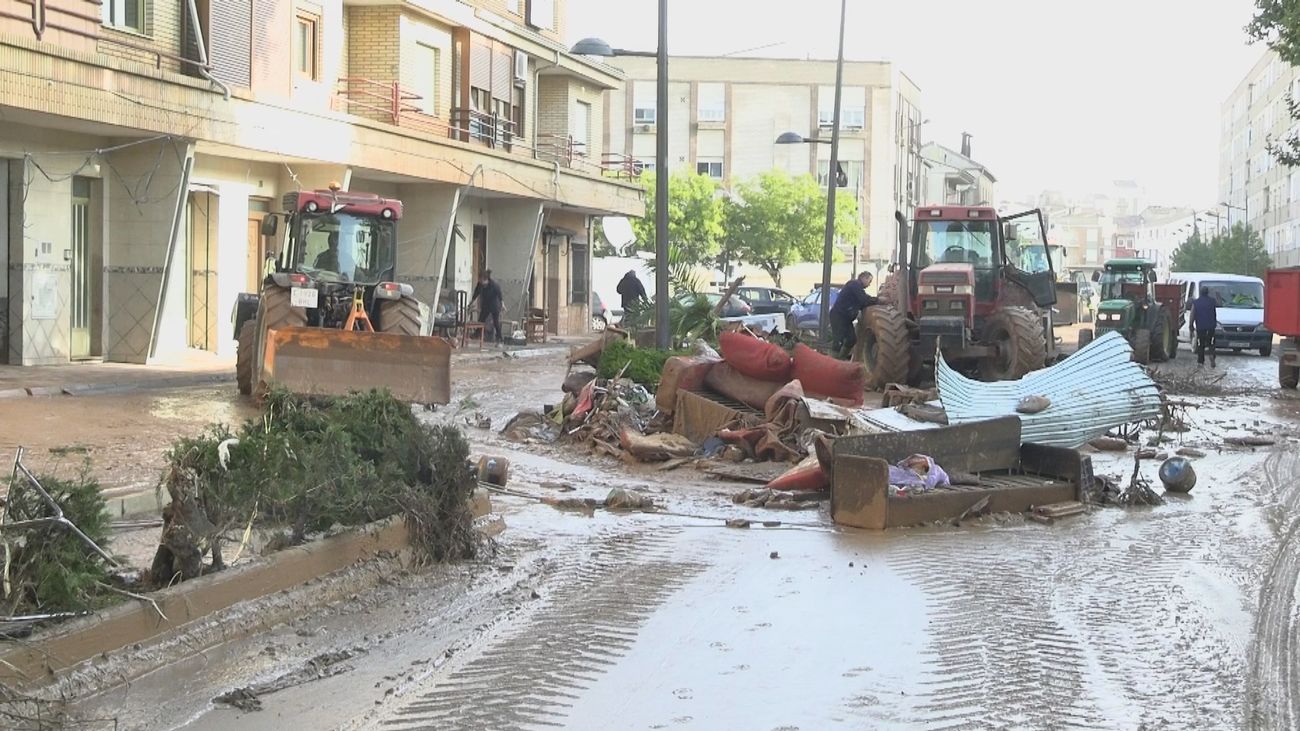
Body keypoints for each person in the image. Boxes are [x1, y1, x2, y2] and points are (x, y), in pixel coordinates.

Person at [829, 271, 878, 359]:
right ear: (864, 278)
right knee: (838, 339)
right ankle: (832, 361)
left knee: (852, 339)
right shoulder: (854, 285)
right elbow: (864, 300)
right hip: (839, 316)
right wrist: (878, 300)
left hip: (846, 319)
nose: (869, 284)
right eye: (869, 281)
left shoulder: (857, 288)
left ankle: (841, 358)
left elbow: (864, 302)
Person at [469, 269, 505, 344]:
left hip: (494, 304)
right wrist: (472, 302)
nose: (480, 281)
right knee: (481, 319)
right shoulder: (480, 284)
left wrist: (502, 304)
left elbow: (499, 294)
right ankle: (476, 334)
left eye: (481, 280)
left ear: (485, 279)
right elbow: (476, 292)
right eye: (479, 279)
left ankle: (500, 337)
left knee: (496, 322)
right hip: (485, 304)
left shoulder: (494, 285)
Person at [1191, 286, 1218, 368]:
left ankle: (1200, 362)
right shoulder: (1212, 301)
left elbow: (1192, 314)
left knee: (1201, 345)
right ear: (1208, 292)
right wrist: (1217, 294)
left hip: (1200, 327)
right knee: (1211, 343)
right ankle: (1212, 355)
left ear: (1200, 292)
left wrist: (1191, 326)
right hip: (1211, 327)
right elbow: (1219, 304)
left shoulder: (1196, 303)